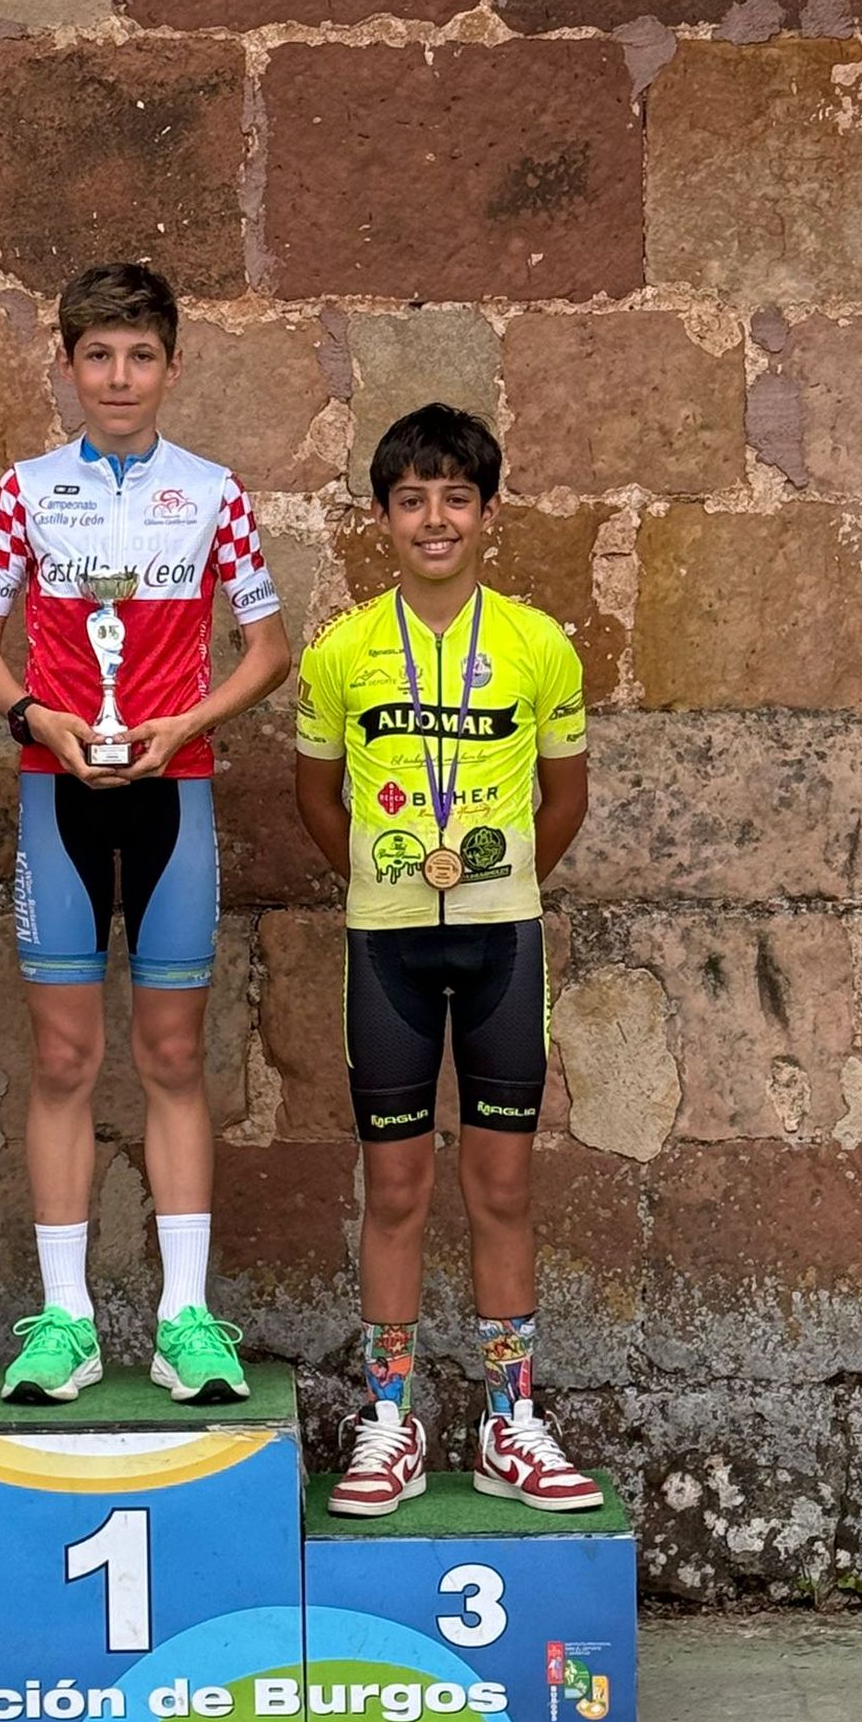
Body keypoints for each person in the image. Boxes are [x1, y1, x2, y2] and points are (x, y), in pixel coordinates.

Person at [0, 263, 290, 1405]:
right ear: (66, 365)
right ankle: (66, 1320)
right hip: (56, 786)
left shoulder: (213, 493)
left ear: (172, 367)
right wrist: (33, 718)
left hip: (171, 787)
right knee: (62, 1058)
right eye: (96, 355)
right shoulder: (24, 489)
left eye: (139, 355)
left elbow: (269, 648)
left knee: (172, 1056)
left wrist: (187, 724)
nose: (117, 376)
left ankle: (185, 1318)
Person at [294, 404, 600, 1515]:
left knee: (503, 1184)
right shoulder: (339, 650)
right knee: (395, 1186)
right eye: (412, 499)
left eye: (456, 498)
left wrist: (496, 882)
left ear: (488, 512)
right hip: (386, 945)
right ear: (381, 516)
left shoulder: (538, 644)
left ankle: (510, 1421)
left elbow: (564, 800)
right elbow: (314, 797)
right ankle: (391, 1421)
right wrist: (386, 887)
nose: (435, 518)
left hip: (501, 935)